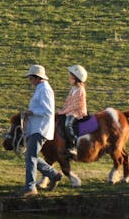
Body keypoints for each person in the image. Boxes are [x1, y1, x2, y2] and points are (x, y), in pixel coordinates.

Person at [20, 64, 63, 197]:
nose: (29, 80)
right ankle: (53, 174)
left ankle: (30, 188)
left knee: (30, 157)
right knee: (30, 156)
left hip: (40, 128)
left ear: (36, 77)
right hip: (37, 128)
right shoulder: (41, 88)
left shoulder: (44, 90)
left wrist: (31, 112)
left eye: (30, 78)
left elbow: (48, 111)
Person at [57, 64, 88, 158]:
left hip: (77, 112)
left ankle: (74, 144)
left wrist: (64, 111)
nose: (69, 77)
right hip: (70, 110)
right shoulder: (73, 89)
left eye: (71, 75)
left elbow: (76, 105)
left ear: (76, 78)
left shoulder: (80, 90)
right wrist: (62, 109)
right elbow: (68, 101)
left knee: (68, 124)